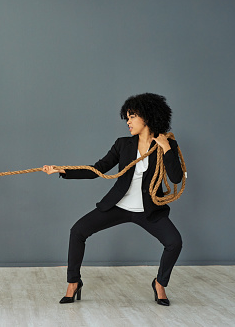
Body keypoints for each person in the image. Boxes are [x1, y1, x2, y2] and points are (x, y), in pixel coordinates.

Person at [42, 93, 183, 306]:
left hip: (149, 211)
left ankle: (159, 284)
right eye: (127, 117)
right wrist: (63, 170)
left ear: (147, 116)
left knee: (174, 242)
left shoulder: (166, 145)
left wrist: (166, 148)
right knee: (77, 231)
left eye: (132, 116)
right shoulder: (123, 144)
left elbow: (176, 177)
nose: (128, 122)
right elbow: (97, 169)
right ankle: (73, 283)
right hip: (118, 206)